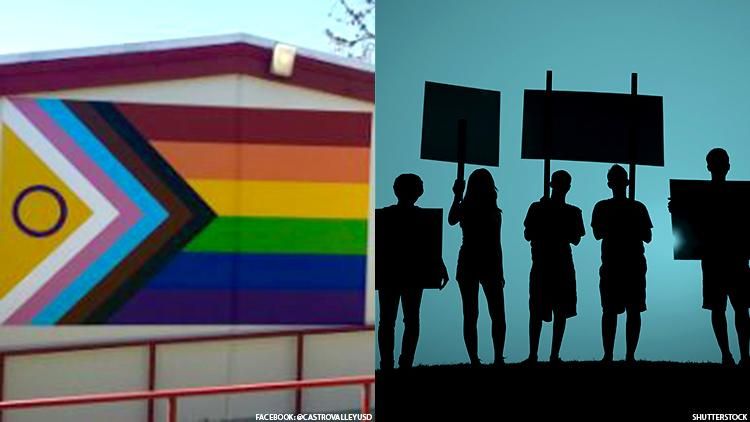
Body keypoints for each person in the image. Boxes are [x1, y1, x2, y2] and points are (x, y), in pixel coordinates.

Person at [669, 148, 749, 367]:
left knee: (736, 308)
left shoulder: (737, 195)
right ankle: (729, 355)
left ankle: (741, 355)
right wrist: (677, 209)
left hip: (732, 258)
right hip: (719, 259)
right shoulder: (699, 195)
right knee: (722, 308)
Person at [378, 173, 449, 369]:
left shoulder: (384, 216)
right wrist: (440, 267)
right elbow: (431, 247)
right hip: (412, 274)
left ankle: (388, 362)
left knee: (388, 320)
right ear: (418, 192)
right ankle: (405, 361)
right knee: (410, 319)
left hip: (389, 273)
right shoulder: (423, 218)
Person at [591, 165, 652, 363]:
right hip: (612, 264)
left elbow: (648, 236)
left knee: (632, 310)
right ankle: (609, 354)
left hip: (632, 264)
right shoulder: (603, 207)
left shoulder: (638, 207)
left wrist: (631, 224)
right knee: (610, 311)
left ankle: (629, 355)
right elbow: (597, 233)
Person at [523, 170, 585, 364]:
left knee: (559, 311)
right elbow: (528, 234)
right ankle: (536, 354)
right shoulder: (538, 208)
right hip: (544, 263)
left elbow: (576, 238)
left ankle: (551, 354)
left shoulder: (572, 211)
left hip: (560, 264)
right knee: (538, 310)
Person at [448, 168, 506, 366]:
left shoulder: (472, 208)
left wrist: (457, 196)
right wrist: (456, 196)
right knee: (487, 313)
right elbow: (451, 219)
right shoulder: (488, 211)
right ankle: (488, 357)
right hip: (480, 261)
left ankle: (483, 358)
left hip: (473, 260)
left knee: (475, 313)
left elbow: (452, 219)